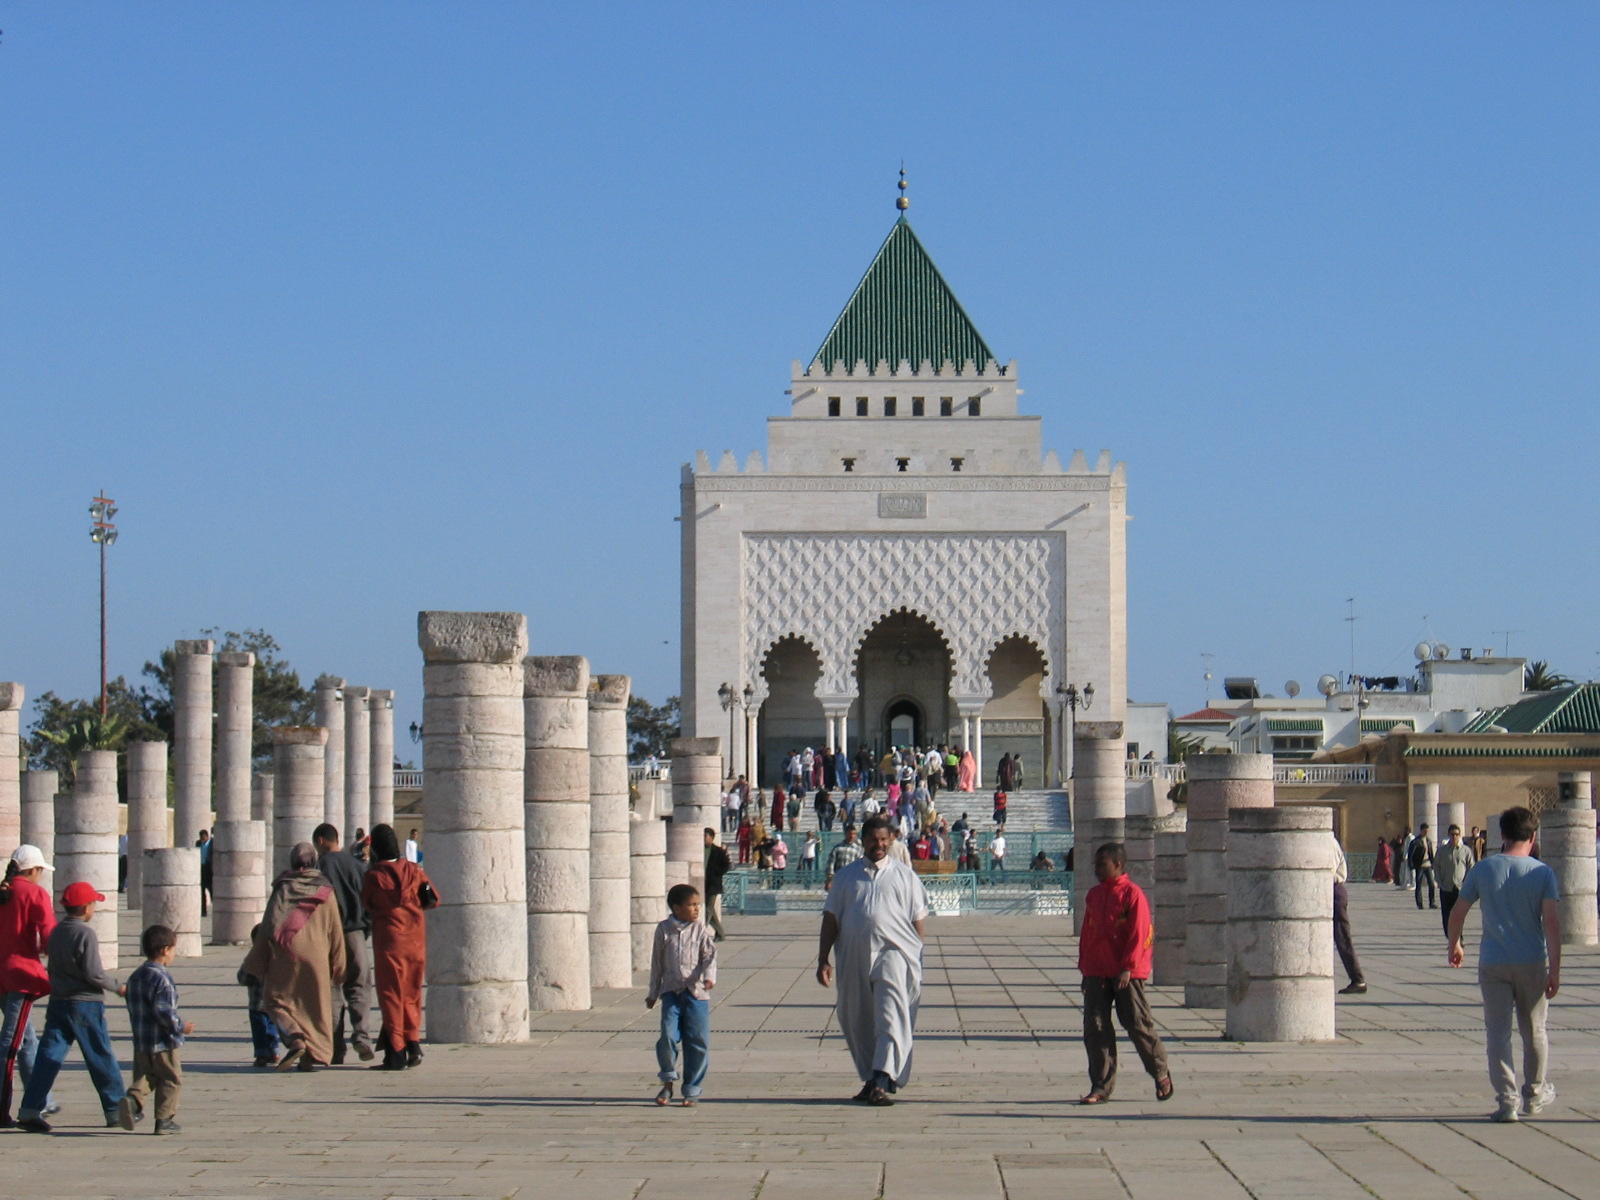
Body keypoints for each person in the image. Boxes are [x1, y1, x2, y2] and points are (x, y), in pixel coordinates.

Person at [1447, 806, 1561, 1123]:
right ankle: (1535, 1094)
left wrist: (1455, 942)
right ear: (1533, 836)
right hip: (1532, 961)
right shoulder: (1542, 873)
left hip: (1494, 961)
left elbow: (1458, 912)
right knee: (1534, 1030)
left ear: (1502, 835)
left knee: (1497, 1032)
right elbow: (1551, 925)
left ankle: (1507, 1099)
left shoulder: (1484, 869)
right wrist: (1555, 970)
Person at [816, 816, 929, 1106]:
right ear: (863, 841)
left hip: (894, 954)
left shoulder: (905, 876)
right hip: (853, 954)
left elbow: (918, 921)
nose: (878, 845)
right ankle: (870, 1076)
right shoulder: (846, 877)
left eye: (883, 840)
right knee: (857, 1017)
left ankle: (882, 1077)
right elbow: (831, 917)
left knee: (891, 1015)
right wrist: (823, 958)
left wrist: (916, 956)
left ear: (891, 840)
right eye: (872, 840)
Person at [16, 881, 128, 1133]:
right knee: (99, 1054)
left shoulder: (56, 932)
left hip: (59, 1002)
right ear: (86, 907)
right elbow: (93, 973)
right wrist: (117, 987)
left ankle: (30, 1110)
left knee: (48, 1056)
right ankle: (115, 1110)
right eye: (93, 905)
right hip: (85, 1004)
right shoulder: (85, 934)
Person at [1076, 842, 1173, 1105]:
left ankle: (1159, 1072)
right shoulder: (1094, 895)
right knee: (1096, 1029)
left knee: (1137, 1023)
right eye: (1095, 865)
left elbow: (1141, 933)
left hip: (1126, 972)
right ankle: (1100, 1085)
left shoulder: (1133, 894)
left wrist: (1128, 967)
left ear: (1117, 864)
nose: (1096, 869)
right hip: (1097, 970)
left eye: (1102, 865)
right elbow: (1088, 933)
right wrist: (1085, 967)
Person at [242, 843, 346, 1073]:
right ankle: (311, 1057)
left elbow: (269, 926)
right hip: (317, 957)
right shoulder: (326, 891)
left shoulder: (283, 887)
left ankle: (295, 1037)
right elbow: (335, 931)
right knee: (314, 1007)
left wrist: (256, 961)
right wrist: (339, 964)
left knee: (275, 999)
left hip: (286, 954)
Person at [361, 824, 438, 1071]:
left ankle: (396, 1051)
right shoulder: (415, 871)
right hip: (415, 940)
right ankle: (413, 1040)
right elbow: (433, 898)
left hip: (389, 941)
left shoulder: (375, 876)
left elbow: (367, 903)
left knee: (391, 994)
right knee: (412, 992)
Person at [0, 845, 57, 1124]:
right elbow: (49, 934)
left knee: (26, 1037)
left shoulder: (5, 891)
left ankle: (42, 1098)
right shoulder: (34, 893)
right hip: (19, 975)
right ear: (33, 870)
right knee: (11, 1042)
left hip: (1, 973)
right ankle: (2, 1108)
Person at [646, 883, 716, 1107]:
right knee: (667, 1036)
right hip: (671, 993)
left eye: (698, 905)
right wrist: (653, 992)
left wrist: (708, 977)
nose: (696, 909)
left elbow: (709, 956)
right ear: (677, 908)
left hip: (696, 994)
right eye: (691, 905)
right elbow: (657, 963)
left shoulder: (701, 929)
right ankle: (667, 1079)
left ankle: (692, 1088)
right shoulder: (663, 930)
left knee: (697, 1041)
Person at [119, 924, 192, 1135]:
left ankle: (132, 1101)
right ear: (165, 950)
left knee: (147, 1076)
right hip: (163, 1041)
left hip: (142, 1040)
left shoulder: (136, 976)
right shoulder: (163, 979)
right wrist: (181, 1027)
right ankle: (164, 1119)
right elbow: (165, 1012)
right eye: (174, 950)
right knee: (170, 1078)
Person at [312, 823, 376, 1064]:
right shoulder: (357, 865)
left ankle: (336, 1047)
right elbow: (368, 898)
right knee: (359, 987)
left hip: (331, 935)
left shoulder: (322, 865)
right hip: (356, 933)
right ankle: (362, 1036)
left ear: (320, 841)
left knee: (333, 991)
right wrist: (365, 928)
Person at [237, 924, 282, 1068]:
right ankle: (274, 1051)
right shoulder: (278, 959)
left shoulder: (252, 960)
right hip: (273, 1003)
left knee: (259, 1031)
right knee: (272, 1028)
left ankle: (261, 1055)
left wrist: (254, 978)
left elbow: (242, 978)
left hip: (257, 1004)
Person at [1332, 833, 1367, 995]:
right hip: (1332, 890)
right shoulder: (1329, 842)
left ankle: (1358, 979)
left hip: (1334, 890)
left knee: (1342, 936)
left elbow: (1327, 871)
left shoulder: (1328, 845)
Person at [1437, 823, 1477, 937]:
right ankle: (1450, 937)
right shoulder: (1442, 851)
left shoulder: (1465, 850)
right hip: (1446, 887)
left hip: (1459, 887)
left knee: (1459, 914)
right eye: (1452, 834)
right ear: (1448, 835)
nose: (1454, 837)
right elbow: (1436, 866)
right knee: (1446, 915)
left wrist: (1467, 882)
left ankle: (1459, 936)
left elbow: (1471, 866)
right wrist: (1439, 881)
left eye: (1457, 834)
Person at [702, 828, 731, 941]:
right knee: (710, 909)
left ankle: (701, 930)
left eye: (705, 836)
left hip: (713, 884)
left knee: (709, 908)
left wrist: (716, 873)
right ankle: (720, 933)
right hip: (703, 883)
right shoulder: (700, 850)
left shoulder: (718, 851)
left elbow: (726, 865)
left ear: (711, 837)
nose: (704, 839)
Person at [1412, 823, 1438, 909]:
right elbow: (1411, 854)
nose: (1426, 832)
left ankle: (1432, 902)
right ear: (1421, 830)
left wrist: (1433, 862)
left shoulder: (1428, 841)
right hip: (1419, 865)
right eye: (1425, 830)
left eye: (1427, 831)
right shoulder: (1416, 841)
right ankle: (1420, 903)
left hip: (1428, 865)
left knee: (1432, 884)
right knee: (1419, 884)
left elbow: (1431, 853)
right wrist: (1411, 864)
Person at [196, 830, 213, 917]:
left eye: (203, 838)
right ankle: (203, 911)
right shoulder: (198, 843)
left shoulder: (213, 843)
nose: (202, 840)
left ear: (207, 836)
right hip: (201, 868)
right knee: (201, 891)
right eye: (201, 838)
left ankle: (216, 909)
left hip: (210, 868)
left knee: (212, 891)